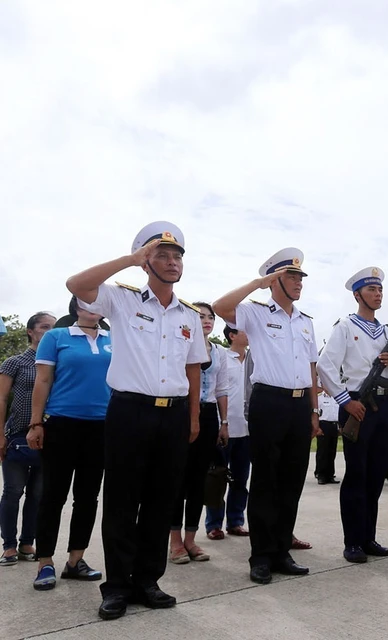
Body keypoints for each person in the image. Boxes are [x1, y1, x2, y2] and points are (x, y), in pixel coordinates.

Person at [66, 222, 207, 620]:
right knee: (122, 502)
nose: (172, 261)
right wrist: (128, 259)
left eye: (177, 255)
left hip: (174, 414)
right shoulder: (122, 300)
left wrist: (194, 415)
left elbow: (194, 367)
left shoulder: (190, 315)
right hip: (130, 411)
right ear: (146, 262)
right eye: (161, 254)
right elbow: (77, 284)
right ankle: (116, 586)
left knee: (162, 501)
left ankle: (148, 580)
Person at [213, 247, 320, 584]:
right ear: (276, 280)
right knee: (265, 480)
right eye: (291, 276)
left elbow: (311, 367)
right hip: (269, 401)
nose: (299, 282)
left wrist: (314, 410)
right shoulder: (256, 313)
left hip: (300, 403)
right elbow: (220, 307)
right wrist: (258, 283)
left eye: (301, 277)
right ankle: (260, 556)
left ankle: (280, 550)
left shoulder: (306, 322)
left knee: (291, 480)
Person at [317, 267, 388, 563]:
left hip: (384, 405)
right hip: (356, 404)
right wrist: (344, 401)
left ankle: (368, 537)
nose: (377, 295)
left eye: (380, 290)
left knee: (376, 474)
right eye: (371, 290)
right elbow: (325, 365)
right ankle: (352, 542)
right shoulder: (346, 327)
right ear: (357, 295)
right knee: (357, 474)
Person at [26, 299, 110, 590]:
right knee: (53, 495)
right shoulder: (56, 337)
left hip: (102, 427)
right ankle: (45, 561)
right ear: (76, 307)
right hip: (62, 423)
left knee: (88, 497)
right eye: (87, 301)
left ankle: (76, 560)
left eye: (99, 300)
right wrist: (36, 423)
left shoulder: (115, 339)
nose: (94, 306)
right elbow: (43, 380)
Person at [169, 302, 228, 565]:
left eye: (210, 317)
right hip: (181, 412)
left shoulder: (220, 352)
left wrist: (224, 422)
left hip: (208, 415)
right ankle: (175, 541)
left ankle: (192, 539)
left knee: (198, 480)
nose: (206, 320)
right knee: (176, 478)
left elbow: (222, 389)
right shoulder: (179, 345)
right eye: (200, 316)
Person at [1, 312, 55, 567]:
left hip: (49, 436)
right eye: (45, 327)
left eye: (54, 328)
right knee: (13, 491)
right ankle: (9, 545)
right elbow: (1, 399)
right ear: (30, 331)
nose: (50, 331)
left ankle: (27, 542)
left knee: (38, 494)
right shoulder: (15, 362)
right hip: (17, 436)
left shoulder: (59, 362)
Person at [206, 326, 253, 539]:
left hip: (247, 428)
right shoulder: (223, 356)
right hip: (223, 427)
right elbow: (217, 390)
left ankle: (235, 521)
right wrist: (219, 422)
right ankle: (214, 524)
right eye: (244, 331)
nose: (249, 334)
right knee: (217, 477)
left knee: (241, 479)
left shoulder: (256, 358)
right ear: (232, 336)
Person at [314, 385, 341, 485]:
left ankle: (330, 475)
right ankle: (321, 475)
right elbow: (315, 413)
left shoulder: (336, 398)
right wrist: (318, 427)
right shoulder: (319, 398)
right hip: (323, 425)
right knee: (322, 451)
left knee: (332, 451)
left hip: (334, 425)